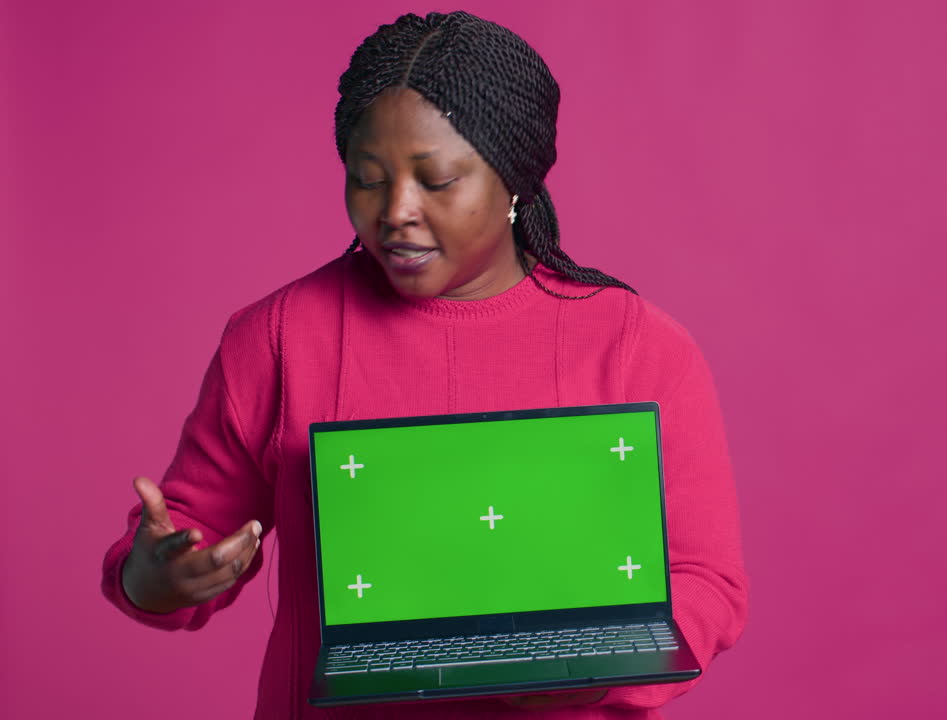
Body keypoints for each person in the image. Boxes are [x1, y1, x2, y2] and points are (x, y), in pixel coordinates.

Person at [101, 11, 747, 719]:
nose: (396, 211)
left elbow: (706, 581)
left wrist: (587, 669)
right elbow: (184, 538)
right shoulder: (278, 338)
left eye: (436, 180)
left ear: (516, 182)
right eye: (367, 179)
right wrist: (155, 575)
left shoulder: (637, 346)